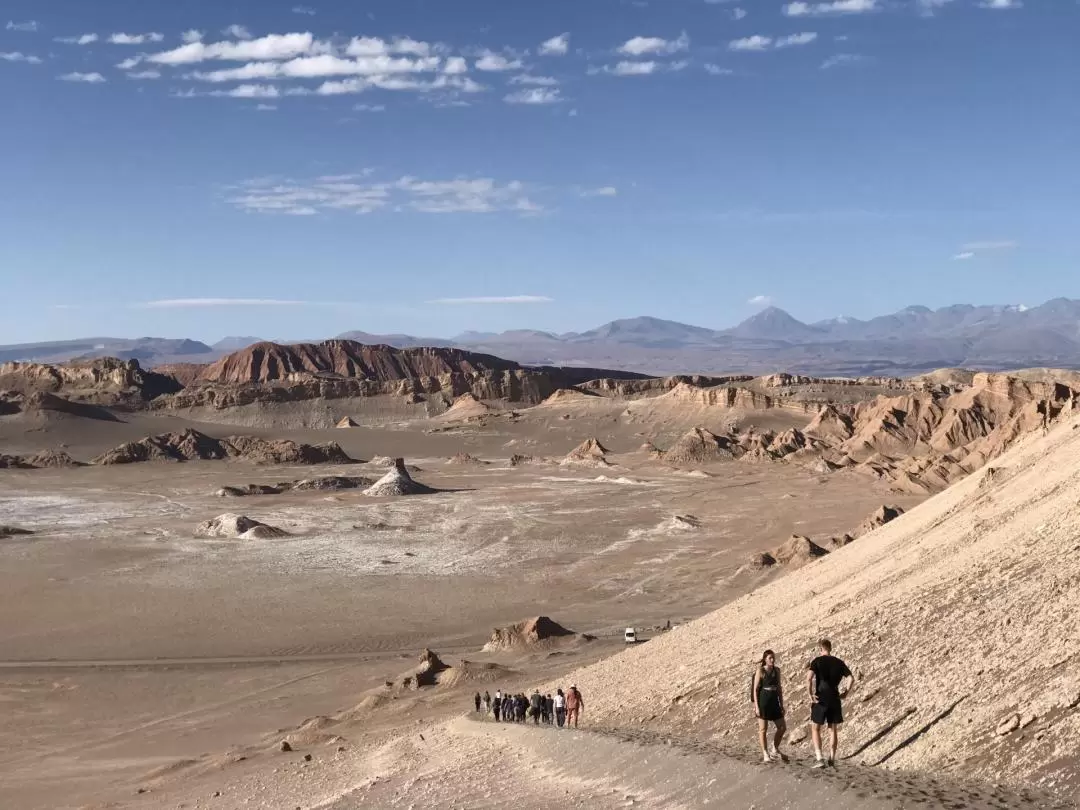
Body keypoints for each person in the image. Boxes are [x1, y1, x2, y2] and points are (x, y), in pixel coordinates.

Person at [806, 639, 855, 769]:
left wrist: (810, 694)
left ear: (821, 649)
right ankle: (832, 758)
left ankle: (819, 757)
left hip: (821, 697)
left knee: (815, 728)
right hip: (834, 697)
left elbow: (809, 678)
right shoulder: (839, 662)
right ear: (830, 648)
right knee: (832, 729)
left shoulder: (817, 661)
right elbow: (851, 678)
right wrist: (846, 692)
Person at [752, 649, 787, 763]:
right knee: (763, 729)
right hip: (763, 702)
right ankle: (765, 753)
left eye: (773, 658)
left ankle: (774, 748)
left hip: (774, 702)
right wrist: (756, 706)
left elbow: (779, 688)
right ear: (765, 660)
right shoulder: (760, 671)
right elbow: (755, 689)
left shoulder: (777, 670)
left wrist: (782, 704)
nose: (772, 660)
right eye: (770, 658)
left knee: (782, 727)